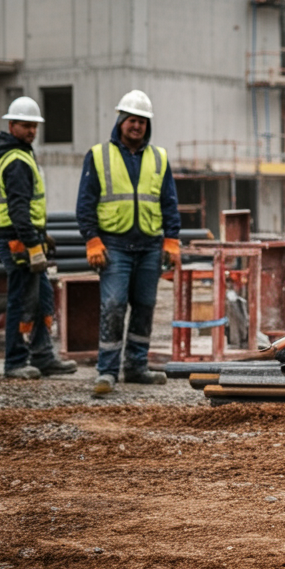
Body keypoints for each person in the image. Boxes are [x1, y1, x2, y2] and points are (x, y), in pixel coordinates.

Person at [76, 90, 181, 397]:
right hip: (114, 246)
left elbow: (169, 203)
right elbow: (85, 203)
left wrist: (172, 240)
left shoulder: (158, 158)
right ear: (121, 121)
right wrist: (92, 239)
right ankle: (107, 371)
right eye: (132, 120)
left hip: (149, 246)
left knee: (145, 307)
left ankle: (136, 367)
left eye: (142, 122)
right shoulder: (98, 156)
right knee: (113, 305)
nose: (137, 126)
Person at [0, 97, 79, 380]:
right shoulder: (17, 161)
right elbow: (18, 210)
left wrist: (42, 236)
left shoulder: (21, 155)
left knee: (42, 298)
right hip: (18, 242)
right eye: (25, 126)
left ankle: (42, 356)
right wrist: (33, 246)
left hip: (26, 238)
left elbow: (26, 206)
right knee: (21, 301)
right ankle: (15, 362)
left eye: (33, 126)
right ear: (11, 125)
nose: (31, 131)